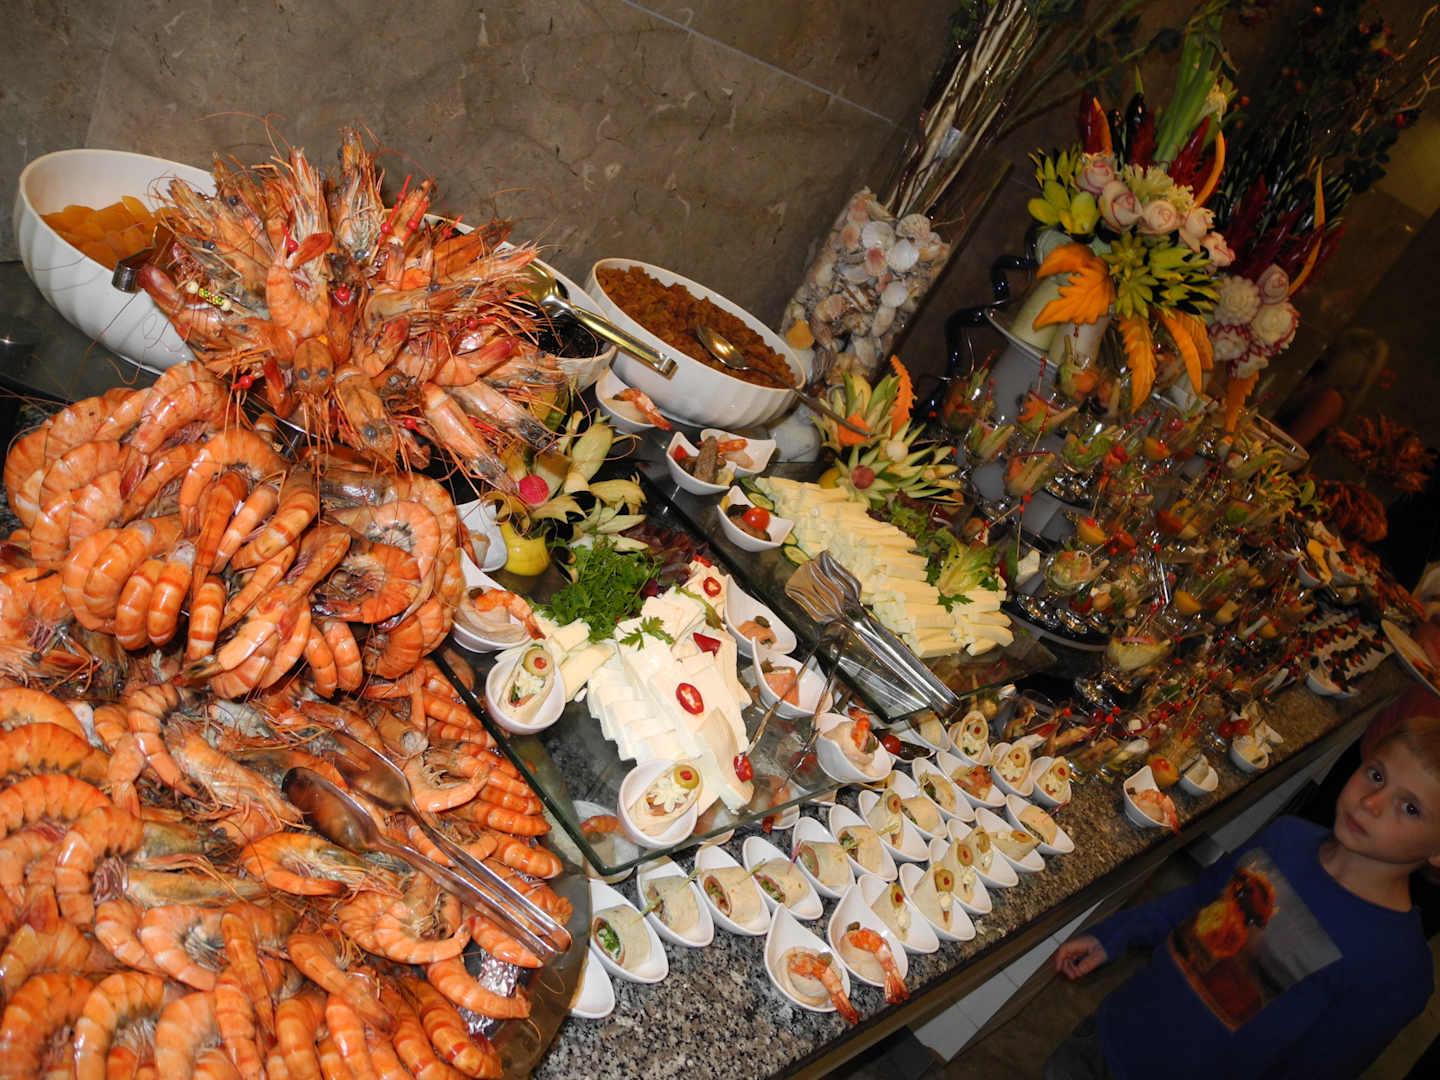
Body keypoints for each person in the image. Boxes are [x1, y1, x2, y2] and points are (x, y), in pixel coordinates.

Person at [1044, 708, 1440, 1080]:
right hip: (1114, 1031)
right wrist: (1117, 933)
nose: (1371, 803)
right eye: (1376, 775)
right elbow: (1199, 899)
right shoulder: (1287, 837)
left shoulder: (1396, 971)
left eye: (1410, 808)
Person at [1274, 327, 1388, 450]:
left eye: (1335, 351)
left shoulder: (1331, 399)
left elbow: (1290, 445)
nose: (1326, 354)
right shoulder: (1316, 384)